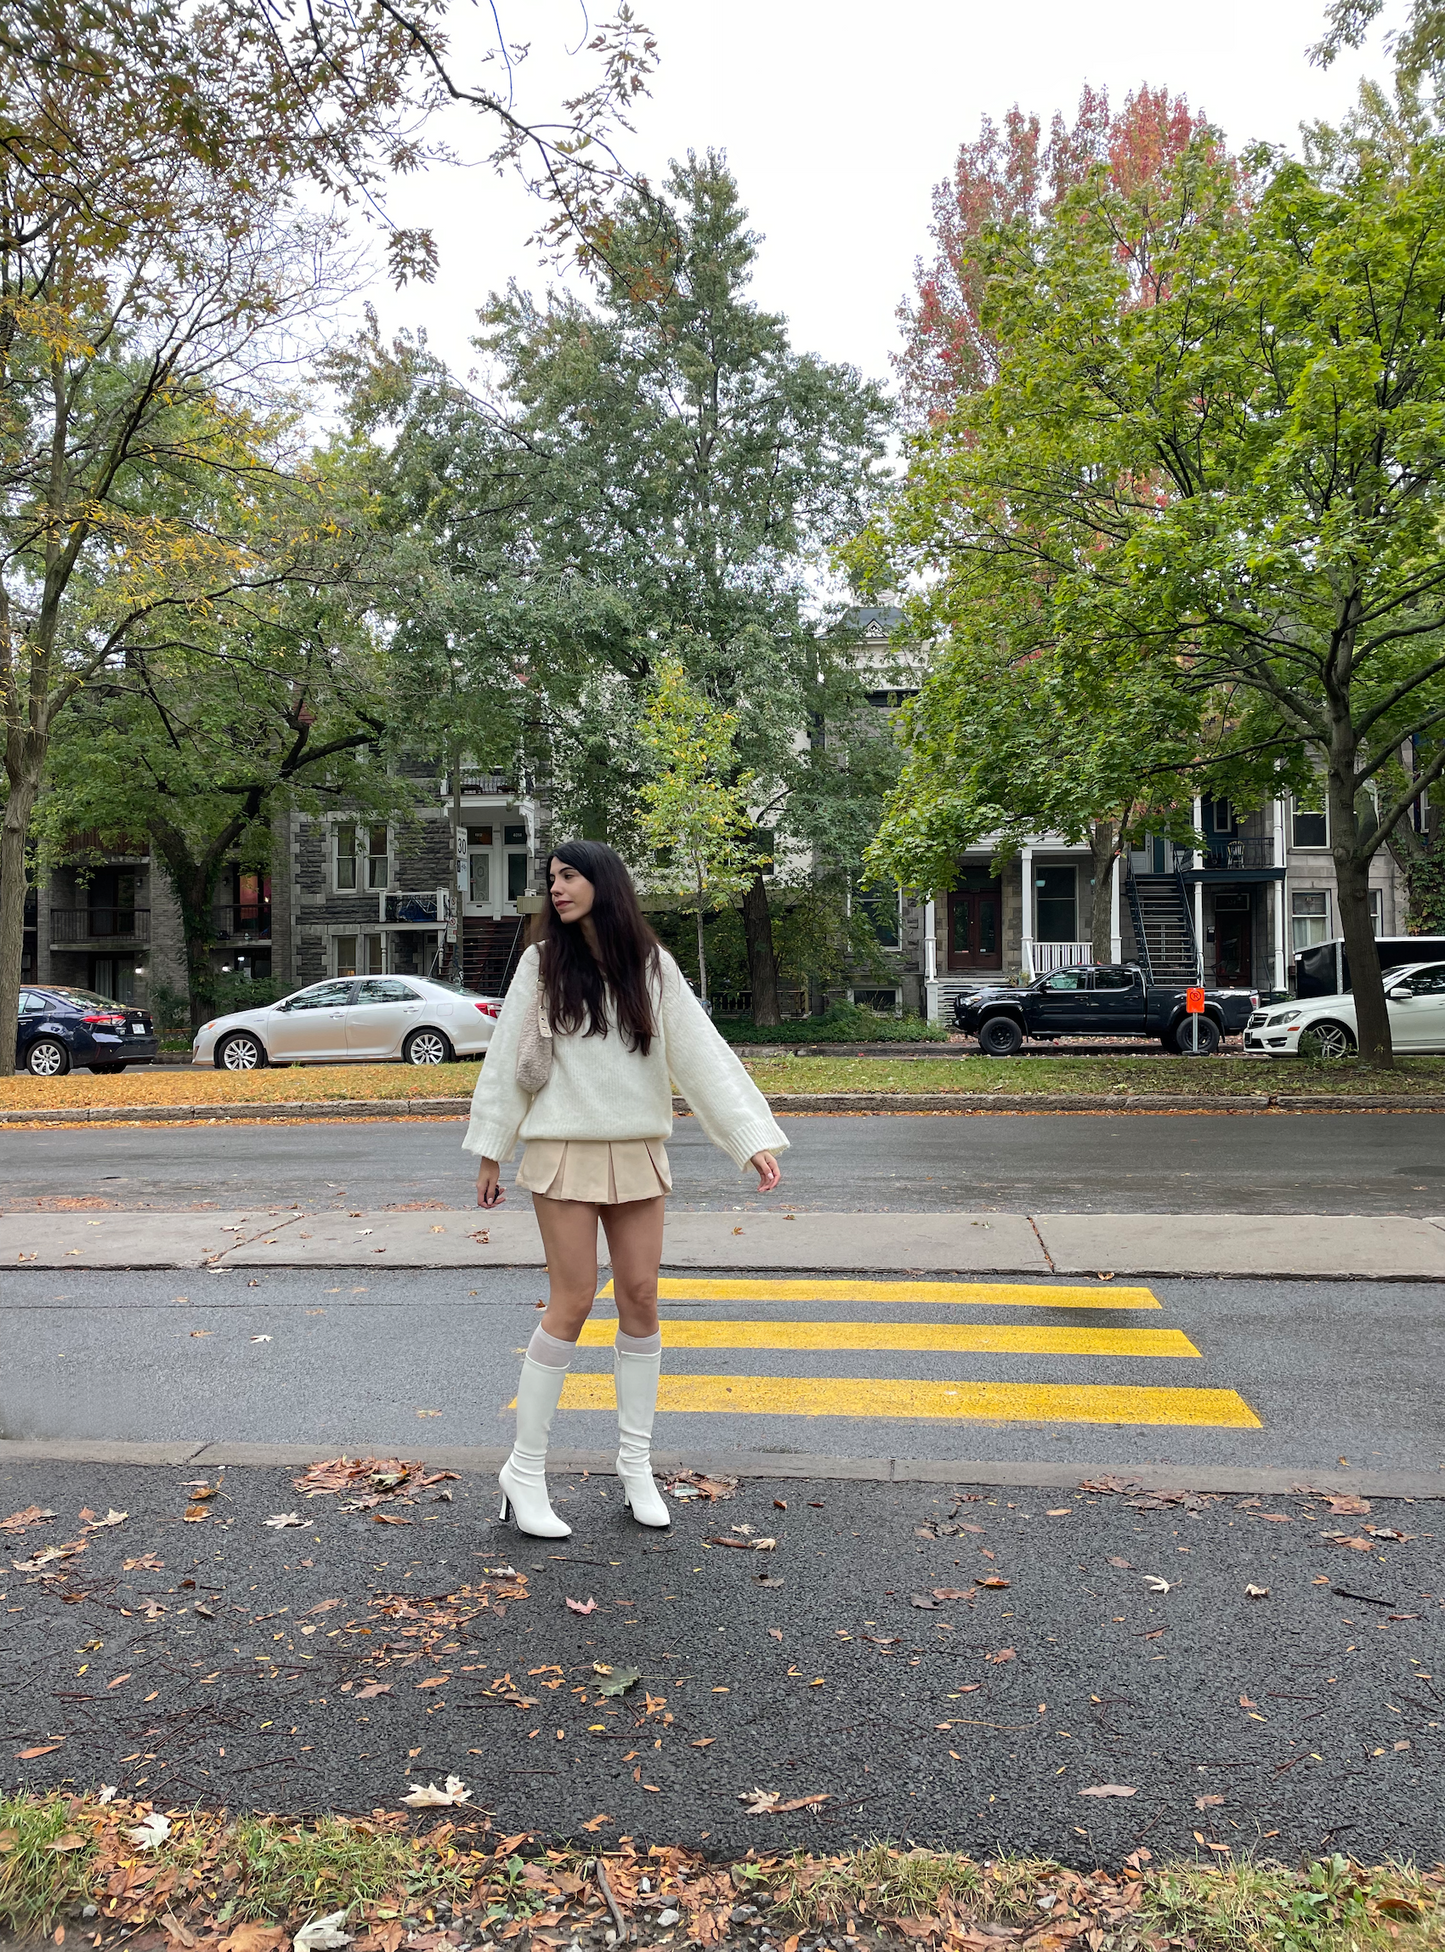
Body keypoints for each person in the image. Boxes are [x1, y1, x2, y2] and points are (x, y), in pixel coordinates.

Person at [463, 840, 787, 1538]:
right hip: (561, 1151)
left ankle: (635, 1466)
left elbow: (701, 1057)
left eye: (569, 875)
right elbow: (503, 1063)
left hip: (638, 1148)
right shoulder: (540, 964)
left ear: (604, 883)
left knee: (640, 1296)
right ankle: (524, 1471)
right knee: (573, 1300)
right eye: (551, 878)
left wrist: (748, 1138)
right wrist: (490, 1149)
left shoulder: (651, 967)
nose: (556, 887)